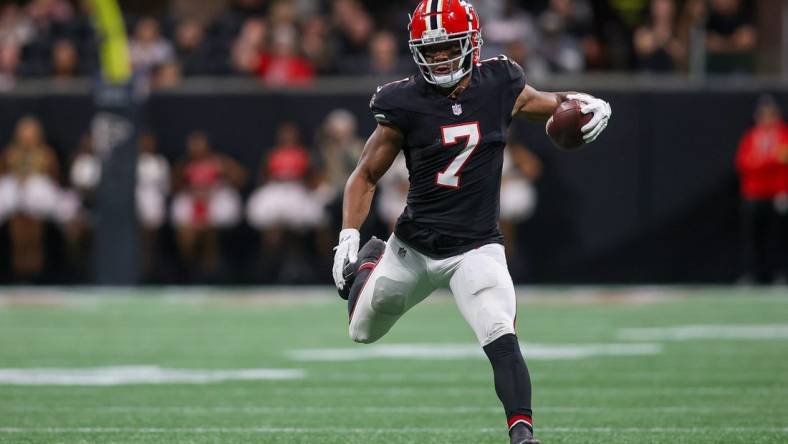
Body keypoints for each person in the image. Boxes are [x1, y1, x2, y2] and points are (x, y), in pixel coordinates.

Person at [331, 2, 611, 444]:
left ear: (472, 44)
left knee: (499, 329)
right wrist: (349, 236)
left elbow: (546, 104)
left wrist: (582, 100)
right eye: (432, 49)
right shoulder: (402, 101)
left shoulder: (500, 82)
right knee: (361, 331)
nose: (440, 57)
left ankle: (523, 435)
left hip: (475, 247)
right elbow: (365, 174)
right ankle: (370, 262)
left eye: (448, 47)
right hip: (412, 248)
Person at [735, 95, 788, 284]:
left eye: (770, 114)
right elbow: (743, 163)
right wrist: (768, 160)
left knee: (778, 237)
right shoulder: (751, 137)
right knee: (752, 238)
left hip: (776, 194)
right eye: (763, 114)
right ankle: (751, 274)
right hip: (754, 193)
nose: (767, 118)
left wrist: (783, 190)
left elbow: (783, 164)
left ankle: (780, 274)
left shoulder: (784, 135)